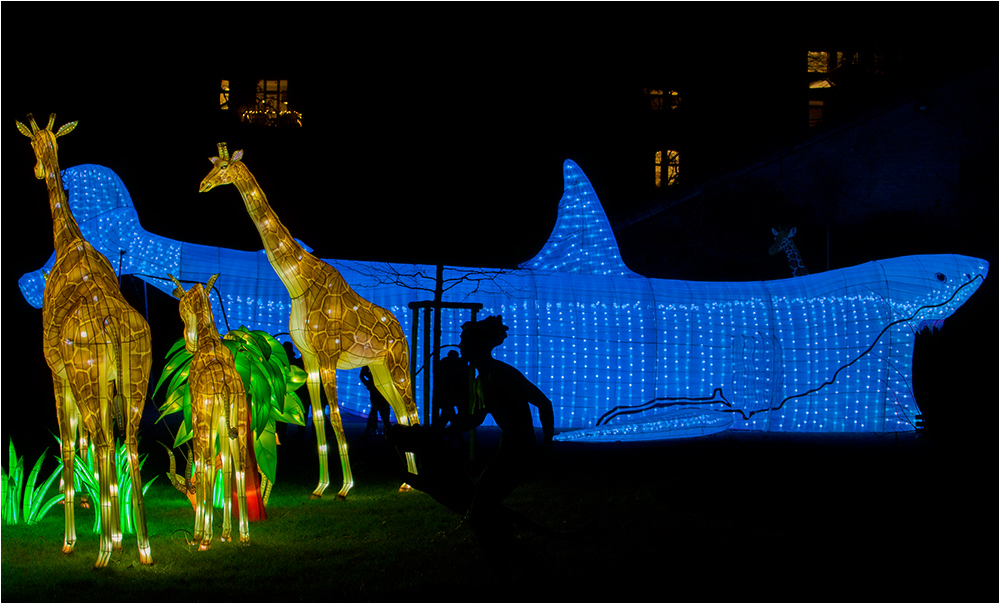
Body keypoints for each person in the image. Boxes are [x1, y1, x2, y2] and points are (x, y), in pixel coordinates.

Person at [360, 366, 392, 439]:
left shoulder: (373, 376)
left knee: (381, 416)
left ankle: (370, 432)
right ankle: (371, 432)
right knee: (381, 416)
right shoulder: (378, 375)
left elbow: (364, 376)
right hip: (381, 398)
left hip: (378, 398)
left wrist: (364, 371)